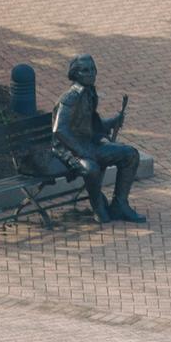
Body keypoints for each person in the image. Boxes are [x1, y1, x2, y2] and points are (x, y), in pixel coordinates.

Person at [52, 54, 146, 224]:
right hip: (69, 149)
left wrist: (113, 122)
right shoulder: (70, 97)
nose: (91, 73)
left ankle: (120, 204)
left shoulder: (89, 93)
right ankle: (98, 206)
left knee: (130, 154)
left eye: (93, 69)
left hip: (89, 144)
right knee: (92, 169)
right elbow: (60, 130)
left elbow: (93, 124)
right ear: (75, 74)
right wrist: (81, 152)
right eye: (85, 70)